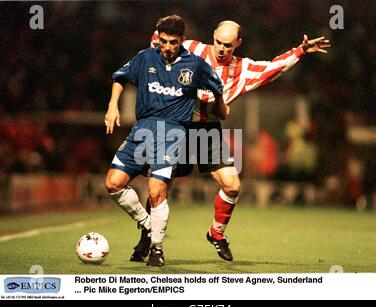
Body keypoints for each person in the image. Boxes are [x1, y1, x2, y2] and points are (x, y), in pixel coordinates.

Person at [138, 20, 330, 262]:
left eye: (228, 45)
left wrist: (300, 51)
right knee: (161, 187)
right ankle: (147, 236)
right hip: (175, 127)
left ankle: (216, 233)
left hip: (208, 133)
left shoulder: (243, 69)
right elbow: (159, 43)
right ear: (213, 36)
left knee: (232, 186)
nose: (221, 49)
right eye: (218, 42)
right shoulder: (190, 48)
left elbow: (273, 68)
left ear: (238, 43)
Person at [104, 15, 227, 266]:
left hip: (172, 132)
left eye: (173, 42)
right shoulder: (145, 57)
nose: (167, 47)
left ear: (182, 40)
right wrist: (112, 106)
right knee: (113, 183)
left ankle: (157, 249)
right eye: (163, 41)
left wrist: (221, 106)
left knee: (156, 191)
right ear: (157, 38)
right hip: (141, 130)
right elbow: (120, 77)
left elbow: (217, 85)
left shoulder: (196, 65)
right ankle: (148, 224)